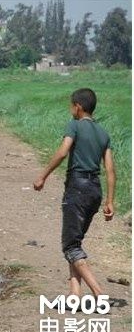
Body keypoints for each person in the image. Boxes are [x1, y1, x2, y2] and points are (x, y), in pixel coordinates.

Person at [33, 88, 116, 303]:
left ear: (78, 107)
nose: (71, 109)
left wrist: (42, 176)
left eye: (71, 105)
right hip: (95, 190)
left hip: (77, 188)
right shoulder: (103, 133)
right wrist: (109, 201)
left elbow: (62, 152)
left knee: (70, 245)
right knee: (75, 241)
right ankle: (75, 294)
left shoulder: (75, 126)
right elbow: (110, 170)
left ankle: (99, 293)